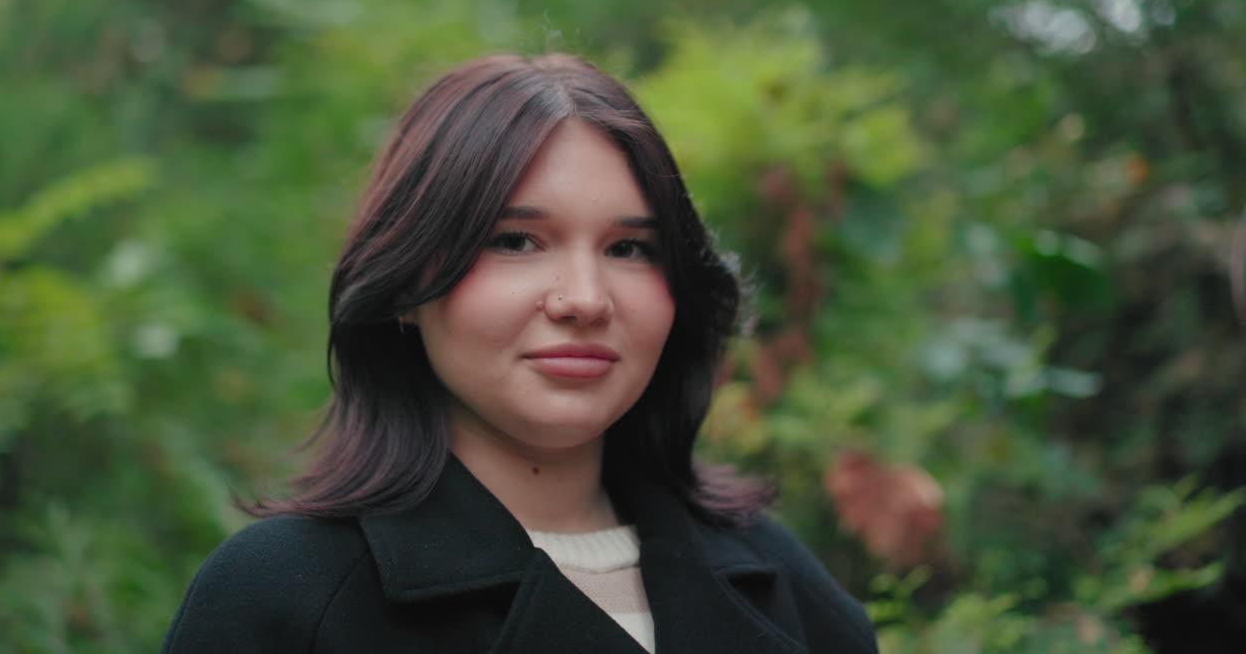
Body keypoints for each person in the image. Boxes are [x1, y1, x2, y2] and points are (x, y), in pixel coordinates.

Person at [162, 53, 878, 654]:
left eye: (630, 248)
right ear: (409, 281)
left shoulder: (777, 578)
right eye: (516, 241)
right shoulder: (286, 594)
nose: (585, 298)